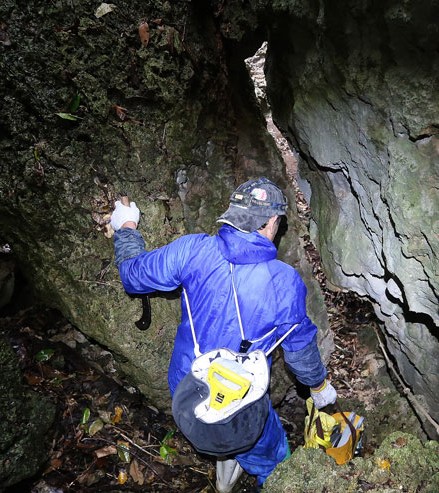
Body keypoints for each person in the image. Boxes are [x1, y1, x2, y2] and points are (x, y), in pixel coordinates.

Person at [110, 177, 337, 492]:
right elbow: (300, 352)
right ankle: (256, 470)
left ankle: (225, 469)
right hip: (241, 406)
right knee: (276, 462)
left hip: (188, 392)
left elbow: (133, 276)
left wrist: (126, 227)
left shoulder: (193, 249)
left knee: (224, 431)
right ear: (272, 221)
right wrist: (319, 386)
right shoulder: (285, 282)